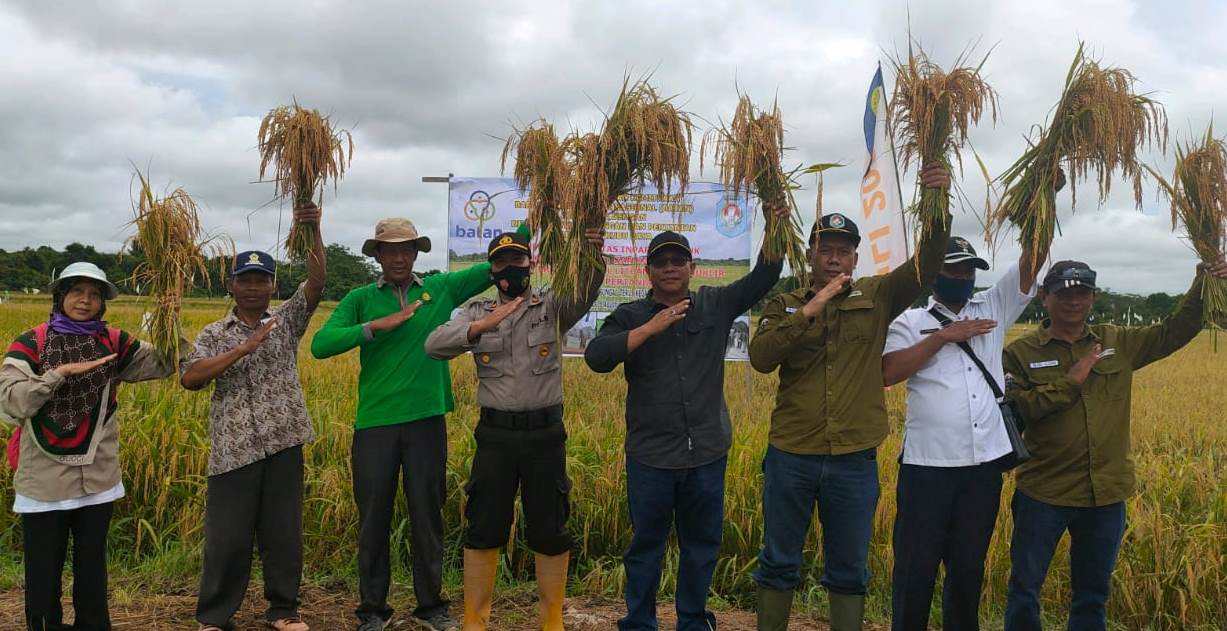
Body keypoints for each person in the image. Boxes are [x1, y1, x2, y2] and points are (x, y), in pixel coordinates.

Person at [748, 163, 951, 631]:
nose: (834, 258)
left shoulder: (878, 296)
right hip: (792, 454)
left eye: (843, 251)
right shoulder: (784, 305)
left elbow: (927, 264)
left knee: (848, 570)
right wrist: (811, 310)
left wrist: (938, 208)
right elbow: (761, 357)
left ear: (856, 259)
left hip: (853, 459)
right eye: (825, 250)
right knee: (778, 560)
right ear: (810, 255)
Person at [311, 218, 529, 631]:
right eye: (389, 250)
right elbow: (321, 345)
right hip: (375, 424)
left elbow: (507, 254)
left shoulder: (441, 289)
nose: (398, 257)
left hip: (426, 422)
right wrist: (376, 327)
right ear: (377, 255)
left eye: (406, 249)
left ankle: (431, 607)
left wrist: (544, 196)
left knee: (428, 515)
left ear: (416, 254)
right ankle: (372, 610)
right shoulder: (360, 298)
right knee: (373, 517)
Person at [1001, 257, 1227, 631]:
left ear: (1093, 296)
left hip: (1104, 494)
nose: (1074, 300)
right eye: (1063, 293)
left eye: (1083, 292)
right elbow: (1021, 410)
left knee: (1092, 594)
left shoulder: (1117, 342)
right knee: (1025, 589)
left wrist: (1203, 284)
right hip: (1044, 492)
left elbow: (1174, 331)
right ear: (1045, 297)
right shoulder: (1021, 353)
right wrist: (1070, 382)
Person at [584, 213, 785, 630]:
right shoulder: (629, 314)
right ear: (649, 271)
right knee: (646, 548)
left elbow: (766, 274)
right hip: (651, 458)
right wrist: (650, 328)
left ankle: (693, 621)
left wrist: (775, 217)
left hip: (706, 454)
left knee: (701, 546)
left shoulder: (715, 303)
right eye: (662, 262)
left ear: (692, 268)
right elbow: (597, 357)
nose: (671, 268)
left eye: (678, 261)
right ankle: (640, 623)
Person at [424, 228, 604, 631]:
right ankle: (475, 620)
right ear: (492, 269)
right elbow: (434, 345)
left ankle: (551, 620)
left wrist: (594, 251)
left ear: (531, 264)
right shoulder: (477, 311)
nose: (510, 269)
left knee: (550, 526)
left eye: (517, 261)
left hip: (544, 435)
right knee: (484, 525)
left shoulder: (550, 307)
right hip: (496, 437)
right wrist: (486, 324)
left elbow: (586, 291)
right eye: (502, 263)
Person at [881, 235, 1052, 630]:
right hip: (928, 466)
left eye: (969, 269)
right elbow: (888, 373)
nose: (963, 276)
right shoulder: (909, 321)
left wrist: (1042, 196)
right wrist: (943, 337)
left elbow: (1031, 261)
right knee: (915, 568)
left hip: (982, 468)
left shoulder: (992, 305)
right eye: (954, 268)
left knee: (968, 568)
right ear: (933, 274)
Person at [0, 262, 176, 631]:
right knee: (43, 569)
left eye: (94, 294)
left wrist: (168, 318)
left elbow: (165, 362)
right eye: (77, 291)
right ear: (60, 296)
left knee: (92, 567)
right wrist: (56, 376)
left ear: (103, 303)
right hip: (45, 478)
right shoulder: (32, 342)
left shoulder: (114, 342)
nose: (85, 300)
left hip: (98, 475)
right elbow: (11, 402)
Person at [181, 203, 326, 631]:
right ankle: (215, 616)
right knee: (226, 538)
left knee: (282, 534)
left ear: (271, 285)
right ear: (231, 286)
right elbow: (191, 378)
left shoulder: (286, 320)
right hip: (233, 448)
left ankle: (283, 611)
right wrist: (242, 349)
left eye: (262, 280)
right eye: (245, 280)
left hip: (284, 440)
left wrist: (313, 229)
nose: (253, 288)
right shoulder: (212, 333)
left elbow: (316, 282)